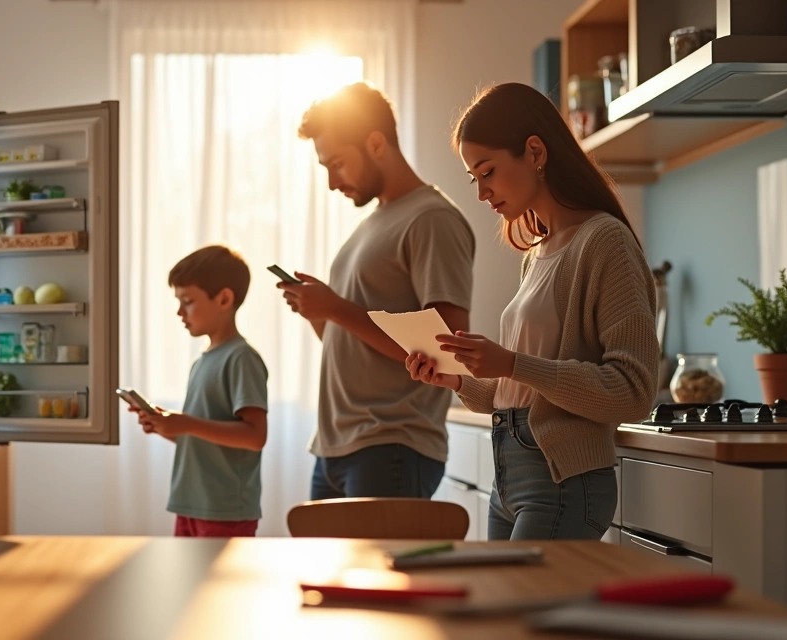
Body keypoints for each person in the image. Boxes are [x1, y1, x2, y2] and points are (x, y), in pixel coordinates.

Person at [405, 82, 658, 541]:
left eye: (488, 172)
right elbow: (519, 392)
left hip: (561, 481)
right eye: (473, 178)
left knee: (520, 609)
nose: (482, 193)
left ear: (535, 152)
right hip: (511, 476)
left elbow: (633, 391)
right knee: (504, 609)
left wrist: (512, 363)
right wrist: (458, 379)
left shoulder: (605, 243)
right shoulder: (537, 254)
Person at [281, 82, 475, 500]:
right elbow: (358, 340)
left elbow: (446, 351)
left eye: (337, 163)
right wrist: (321, 313)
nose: (332, 182)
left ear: (375, 143)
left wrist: (335, 307)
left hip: (391, 447)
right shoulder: (372, 224)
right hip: (336, 448)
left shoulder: (432, 220)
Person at [135, 245, 269, 537]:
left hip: (224, 510)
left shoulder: (241, 358)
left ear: (223, 299)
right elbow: (204, 438)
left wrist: (186, 423)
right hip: (191, 504)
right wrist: (166, 427)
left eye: (188, 301)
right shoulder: (202, 362)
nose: (180, 311)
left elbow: (255, 437)